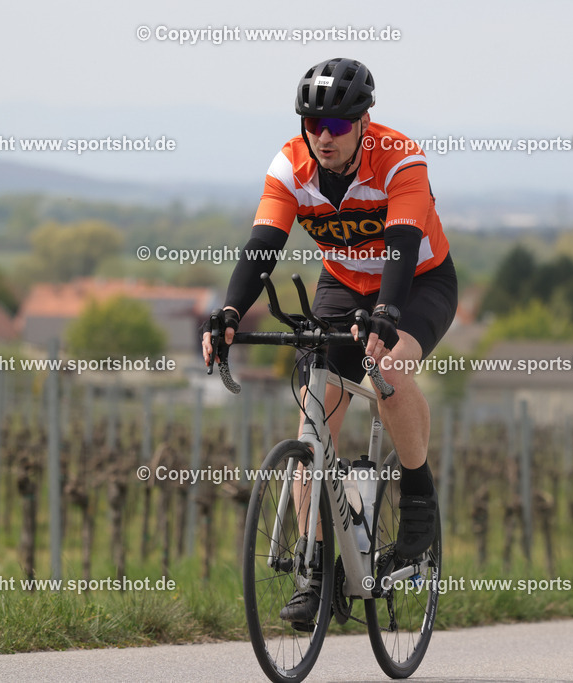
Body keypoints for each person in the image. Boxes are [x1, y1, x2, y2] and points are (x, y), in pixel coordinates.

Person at [201, 57, 457, 626]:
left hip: (417, 282)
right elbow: (263, 245)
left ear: (364, 121)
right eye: (313, 124)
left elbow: (402, 244)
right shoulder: (290, 165)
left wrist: (387, 313)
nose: (324, 137)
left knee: (389, 368)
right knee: (313, 423)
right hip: (342, 285)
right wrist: (230, 311)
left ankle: (418, 494)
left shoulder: (400, 158)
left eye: (337, 125)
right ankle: (314, 571)